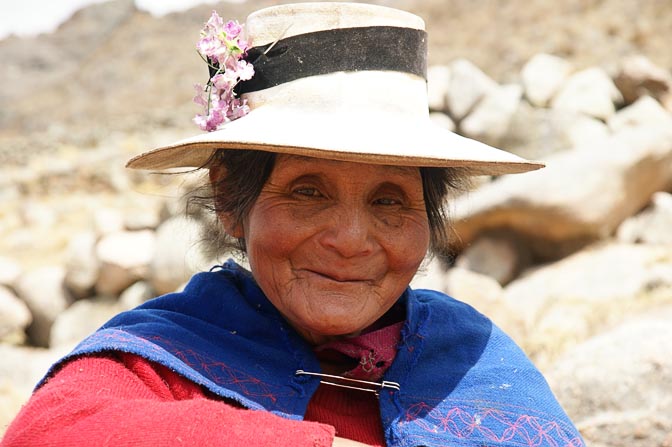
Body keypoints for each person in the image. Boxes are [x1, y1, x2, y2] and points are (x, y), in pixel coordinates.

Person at [1, 3, 585, 447]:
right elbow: (49, 433)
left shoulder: (472, 358)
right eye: (307, 192)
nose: (352, 240)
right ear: (232, 200)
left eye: (389, 202)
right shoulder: (160, 354)